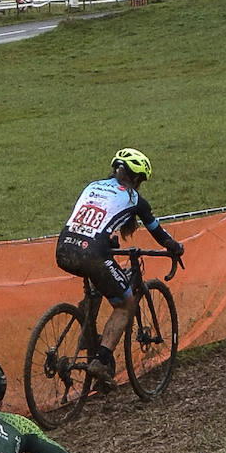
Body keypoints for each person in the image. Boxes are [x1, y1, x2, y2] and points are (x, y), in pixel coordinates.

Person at [55, 149, 184, 381]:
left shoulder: (92, 186)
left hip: (63, 248)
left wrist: (110, 240)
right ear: (135, 178)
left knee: (98, 285)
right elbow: (157, 231)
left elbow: (95, 219)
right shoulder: (135, 199)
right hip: (92, 254)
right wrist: (174, 247)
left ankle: (88, 328)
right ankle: (101, 360)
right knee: (126, 303)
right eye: (141, 180)